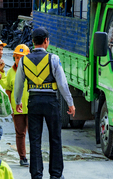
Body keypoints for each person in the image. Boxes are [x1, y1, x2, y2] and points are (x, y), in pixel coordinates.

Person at [15, 27, 75, 179]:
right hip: (51, 101)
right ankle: (55, 174)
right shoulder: (53, 59)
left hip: (33, 101)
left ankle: (36, 174)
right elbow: (62, 84)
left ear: (33, 42)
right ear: (46, 41)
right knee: (55, 138)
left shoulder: (24, 60)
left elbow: (18, 84)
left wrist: (17, 101)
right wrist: (70, 103)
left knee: (35, 140)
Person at [5, 44, 30, 167]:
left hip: (31, 108)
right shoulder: (10, 72)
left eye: (22, 57)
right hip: (17, 109)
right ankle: (23, 157)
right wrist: (10, 107)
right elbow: (8, 90)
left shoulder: (32, 71)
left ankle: (36, 156)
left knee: (35, 133)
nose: (19, 60)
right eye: (17, 57)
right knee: (20, 133)